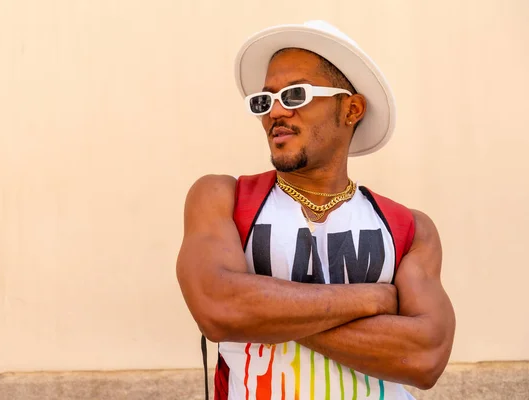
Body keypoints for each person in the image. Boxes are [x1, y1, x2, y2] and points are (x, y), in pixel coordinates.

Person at [176, 20, 456, 400]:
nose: (275, 112)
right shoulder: (222, 196)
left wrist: (262, 313)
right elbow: (218, 308)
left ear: (352, 108)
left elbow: (425, 357)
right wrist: (372, 299)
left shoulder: (408, 227)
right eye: (265, 101)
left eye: (295, 96)